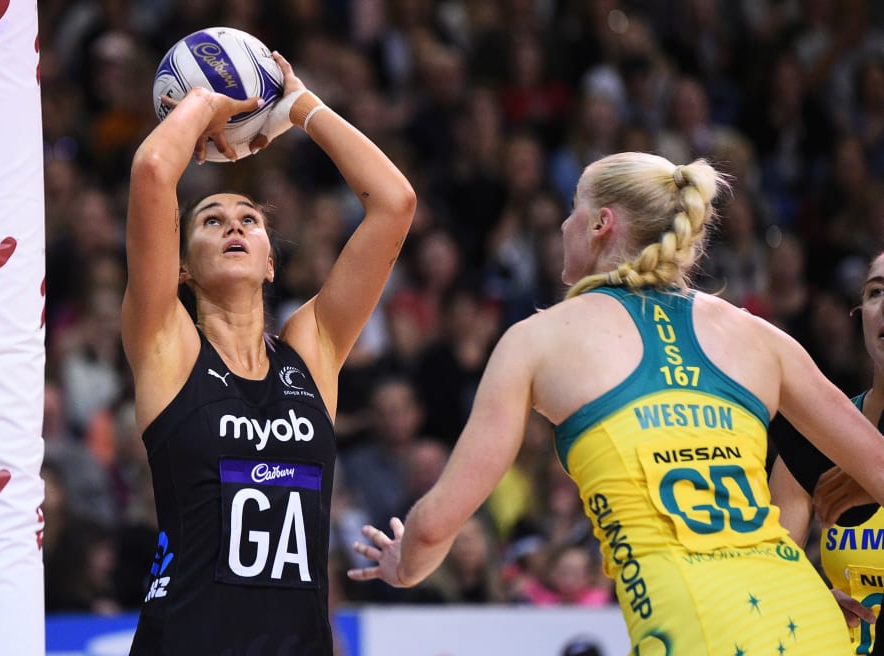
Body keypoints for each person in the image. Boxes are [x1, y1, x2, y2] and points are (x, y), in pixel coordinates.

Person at [348, 151, 884, 655]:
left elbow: (439, 524)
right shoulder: (760, 336)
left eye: (572, 210)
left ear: (600, 223)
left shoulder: (538, 340)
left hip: (696, 626)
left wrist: (403, 564)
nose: (562, 226)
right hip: (805, 613)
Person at [122, 51, 416, 655]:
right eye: (211, 220)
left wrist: (299, 108)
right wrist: (208, 103)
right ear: (182, 268)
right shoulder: (166, 345)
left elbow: (394, 202)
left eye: (249, 220)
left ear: (271, 261)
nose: (233, 226)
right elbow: (154, 169)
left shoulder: (313, 348)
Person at [770, 250, 884, 655]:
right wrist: (808, 597)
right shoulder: (820, 434)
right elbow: (773, 563)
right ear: (861, 314)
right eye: (875, 292)